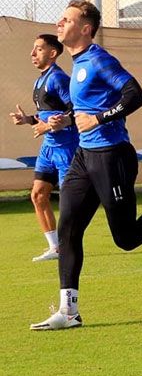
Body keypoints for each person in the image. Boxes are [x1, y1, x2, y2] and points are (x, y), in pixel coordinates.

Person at [31, 0, 142, 331]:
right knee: (69, 230)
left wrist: (100, 118)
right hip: (83, 158)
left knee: (126, 238)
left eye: (66, 19)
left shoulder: (99, 59)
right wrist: (65, 119)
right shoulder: (76, 65)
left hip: (112, 156)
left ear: (85, 29)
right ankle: (68, 312)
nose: (59, 23)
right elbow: (85, 108)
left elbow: (135, 95)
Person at [9, 34, 79, 262]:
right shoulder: (39, 81)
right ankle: (55, 248)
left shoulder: (58, 78)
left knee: (71, 203)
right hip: (48, 149)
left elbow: (76, 110)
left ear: (53, 53)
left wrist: (48, 126)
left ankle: (70, 245)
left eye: (38, 49)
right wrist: (28, 119)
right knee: (38, 195)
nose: (32, 53)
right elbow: (48, 113)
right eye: (33, 48)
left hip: (66, 147)